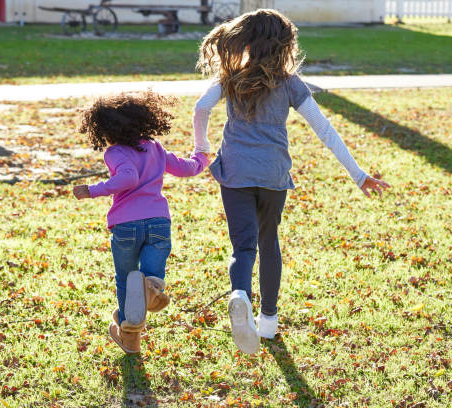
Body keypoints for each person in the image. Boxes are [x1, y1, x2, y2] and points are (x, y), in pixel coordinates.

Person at [192, 9, 390, 354]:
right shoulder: (289, 83)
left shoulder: (230, 78)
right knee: (269, 241)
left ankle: (240, 294)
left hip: (235, 173)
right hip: (272, 175)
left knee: (243, 246)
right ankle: (268, 321)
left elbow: (200, 107)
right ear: (283, 45)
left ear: (247, 40)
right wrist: (358, 175)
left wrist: (202, 148)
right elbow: (324, 129)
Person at [73, 91, 209, 354]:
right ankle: (145, 302)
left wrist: (93, 189)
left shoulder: (114, 152)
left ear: (105, 131)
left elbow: (128, 177)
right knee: (151, 275)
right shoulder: (155, 147)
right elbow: (185, 168)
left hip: (126, 226)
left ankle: (132, 329)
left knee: (126, 278)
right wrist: (201, 158)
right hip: (158, 222)